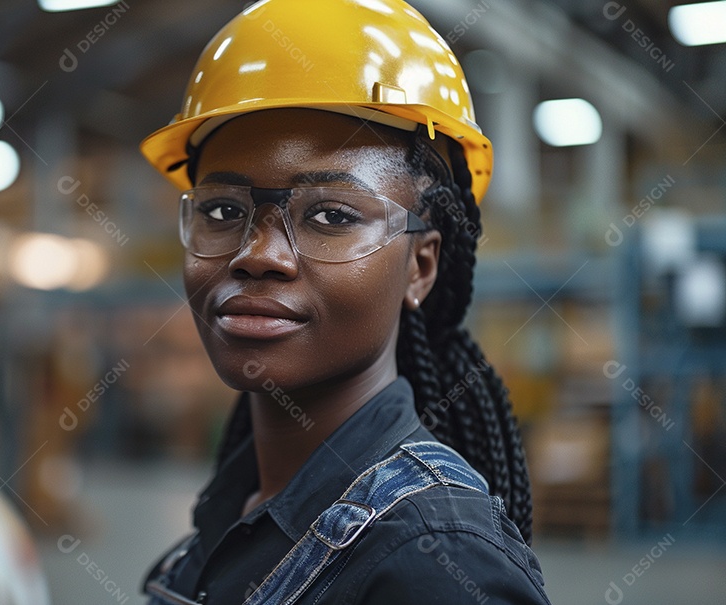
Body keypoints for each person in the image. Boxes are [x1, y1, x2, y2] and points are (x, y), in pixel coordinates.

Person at [137, 0, 551, 603]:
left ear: (421, 266)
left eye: (330, 215)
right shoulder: (233, 516)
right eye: (222, 211)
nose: (258, 254)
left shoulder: (437, 560)